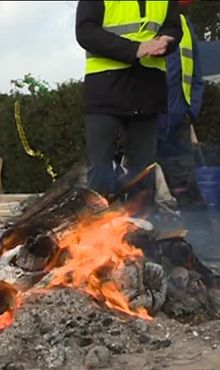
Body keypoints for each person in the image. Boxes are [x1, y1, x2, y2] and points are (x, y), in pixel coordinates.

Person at [75, 0, 182, 212]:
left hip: (148, 88)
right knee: (101, 169)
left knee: (144, 171)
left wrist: (167, 41)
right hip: (106, 88)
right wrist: (135, 49)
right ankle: (95, 231)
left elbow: (173, 26)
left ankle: (141, 230)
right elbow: (85, 32)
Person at [154, 0, 220, 261]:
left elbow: (195, 74)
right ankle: (136, 253)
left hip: (177, 122)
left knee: (186, 186)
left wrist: (191, 110)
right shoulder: (146, 18)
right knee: (138, 189)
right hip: (145, 119)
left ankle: (204, 246)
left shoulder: (185, 25)